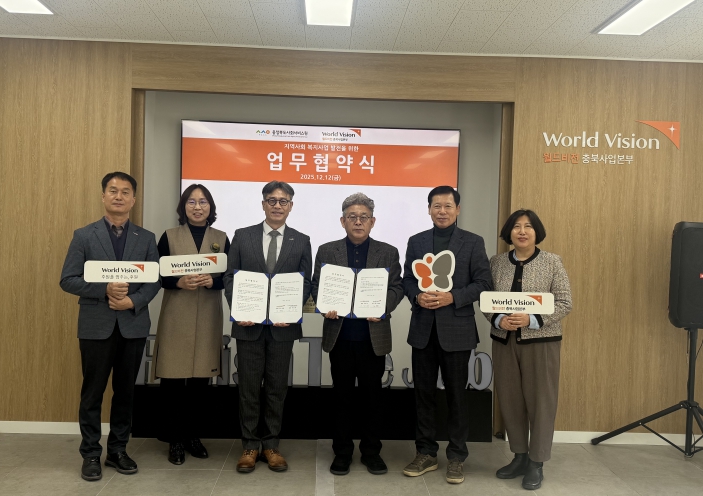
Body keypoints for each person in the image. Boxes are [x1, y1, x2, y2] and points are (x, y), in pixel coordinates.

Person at [60, 172, 160, 482]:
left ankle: (118, 450)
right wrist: (103, 289)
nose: (119, 196)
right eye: (113, 190)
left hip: (133, 324)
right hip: (96, 326)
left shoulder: (146, 238)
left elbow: (154, 280)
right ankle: (90, 453)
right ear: (103, 196)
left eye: (125, 192)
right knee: (92, 393)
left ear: (133, 199)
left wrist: (132, 301)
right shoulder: (84, 236)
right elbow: (68, 280)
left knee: (125, 392)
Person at [401, 185, 492, 484]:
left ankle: (456, 456)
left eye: (448, 206)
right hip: (423, 330)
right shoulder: (416, 241)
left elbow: (483, 283)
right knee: (423, 395)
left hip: (458, 330)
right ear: (429, 209)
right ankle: (425, 453)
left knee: (457, 396)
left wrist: (453, 297)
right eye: (436, 206)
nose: (442, 211)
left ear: (458, 209)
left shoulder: (473, 242)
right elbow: (407, 280)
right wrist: (417, 296)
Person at [311, 193, 404, 476]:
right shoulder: (327, 251)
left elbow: (397, 287)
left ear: (373, 222)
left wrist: (383, 307)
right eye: (352, 217)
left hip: (372, 337)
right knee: (341, 398)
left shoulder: (388, 252)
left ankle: (371, 452)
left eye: (364, 217)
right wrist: (324, 305)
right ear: (343, 221)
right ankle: (342, 453)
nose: (358, 222)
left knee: (372, 398)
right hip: (339, 336)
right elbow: (316, 286)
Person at [223, 181, 312, 473]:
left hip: (283, 328)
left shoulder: (301, 240)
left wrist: (291, 310)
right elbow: (230, 278)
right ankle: (250, 446)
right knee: (248, 388)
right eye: (271, 200)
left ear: (291, 206)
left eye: (283, 201)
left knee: (276, 388)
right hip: (248, 326)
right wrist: (239, 309)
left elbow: (305, 283)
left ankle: (271, 445)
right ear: (263, 204)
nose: (277, 205)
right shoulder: (242, 235)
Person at [485, 209, 572, 490]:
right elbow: (486, 300)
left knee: (541, 402)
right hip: (504, 342)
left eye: (528, 226)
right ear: (509, 232)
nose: (522, 231)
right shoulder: (497, 262)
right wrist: (498, 319)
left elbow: (564, 302)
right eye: (516, 226)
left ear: (537, 232)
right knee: (510, 401)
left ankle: (537, 462)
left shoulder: (552, 262)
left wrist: (532, 319)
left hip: (541, 343)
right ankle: (519, 456)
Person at [152, 184, 230, 465]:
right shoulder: (169, 236)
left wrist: (213, 281)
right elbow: (157, 274)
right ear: (183, 207)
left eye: (203, 202)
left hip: (208, 315)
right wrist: (178, 282)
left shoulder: (222, 238)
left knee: (200, 382)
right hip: (177, 314)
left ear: (211, 207)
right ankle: (174, 439)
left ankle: (193, 436)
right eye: (192, 202)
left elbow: (229, 277)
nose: (198, 207)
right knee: (173, 381)